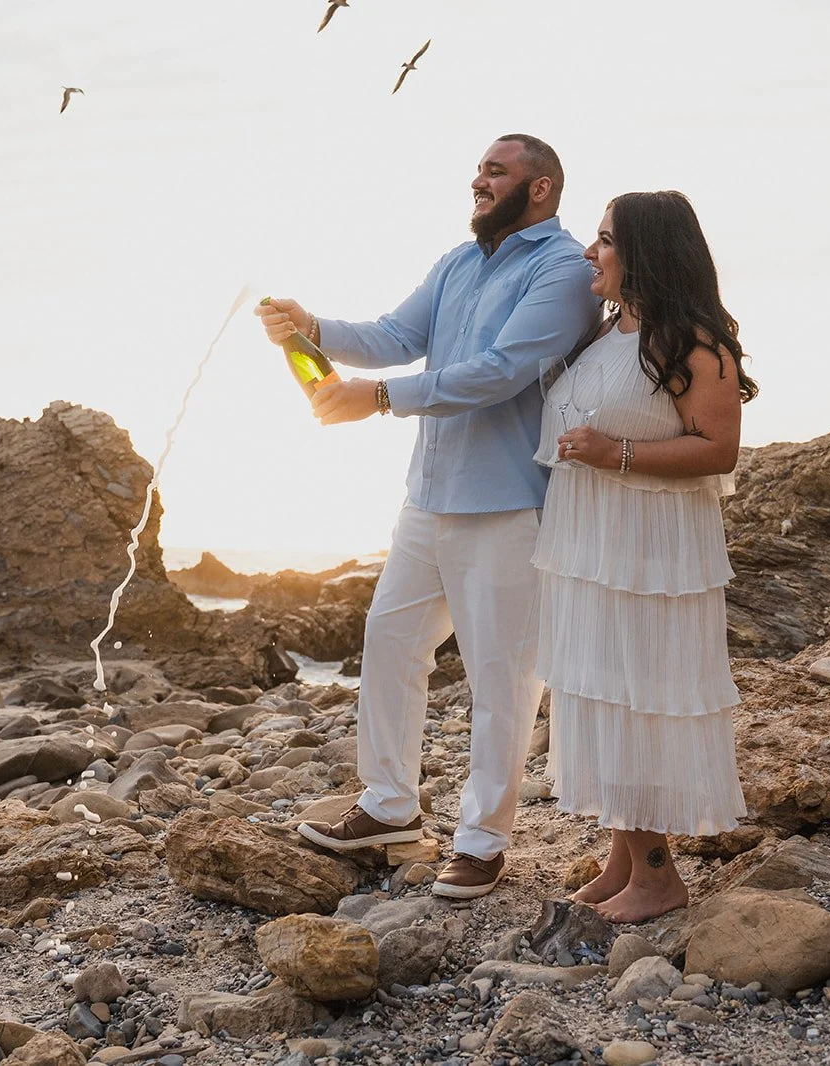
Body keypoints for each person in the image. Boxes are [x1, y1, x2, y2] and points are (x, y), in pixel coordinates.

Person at [258, 134, 600, 899]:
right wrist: (310, 326)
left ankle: (482, 841)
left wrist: (375, 398)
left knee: (503, 681)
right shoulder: (456, 261)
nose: (478, 180)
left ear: (539, 189)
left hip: (509, 504)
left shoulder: (565, 270)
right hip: (428, 498)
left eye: (496, 170)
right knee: (388, 645)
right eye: (479, 168)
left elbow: (502, 372)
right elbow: (394, 336)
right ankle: (388, 806)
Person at [535, 190, 757, 922]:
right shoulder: (603, 335)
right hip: (591, 544)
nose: (591, 254)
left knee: (638, 698)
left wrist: (615, 452)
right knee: (601, 691)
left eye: (604, 240)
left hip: (650, 550)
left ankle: (660, 875)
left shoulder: (692, 340)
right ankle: (625, 859)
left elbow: (718, 448)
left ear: (645, 252)